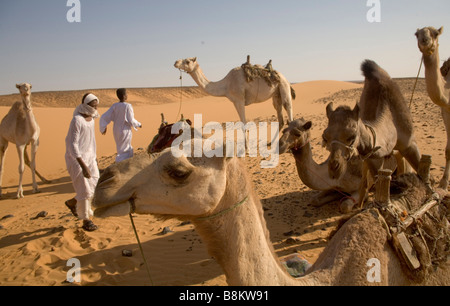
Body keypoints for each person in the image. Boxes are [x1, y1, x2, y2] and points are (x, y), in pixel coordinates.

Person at [64, 93, 100, 232]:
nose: (95, 108)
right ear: (85, 105)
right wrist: (82, 165)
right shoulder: (77, 120)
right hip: (76, 159)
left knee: (93, 186)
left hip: (90, 157)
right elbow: (72, 144)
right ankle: (86, 220)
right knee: (84, 190)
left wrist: (94, 158)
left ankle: (72, 203)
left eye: (96, 106)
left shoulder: (92, 119)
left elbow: (91, 140)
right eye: (93, 106)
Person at [99, 88, 142, 162]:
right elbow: (131, 119)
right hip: (125, 130)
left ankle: (122, 162)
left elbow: (105, 116)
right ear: (124, 96)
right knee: (125, 149)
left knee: (120, 148)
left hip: (116, 130)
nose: (127, 95)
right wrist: (139, 124)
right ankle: (121, 163)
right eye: (126, 94)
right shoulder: (128, 106)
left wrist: (103, 127)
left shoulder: (114, 105)